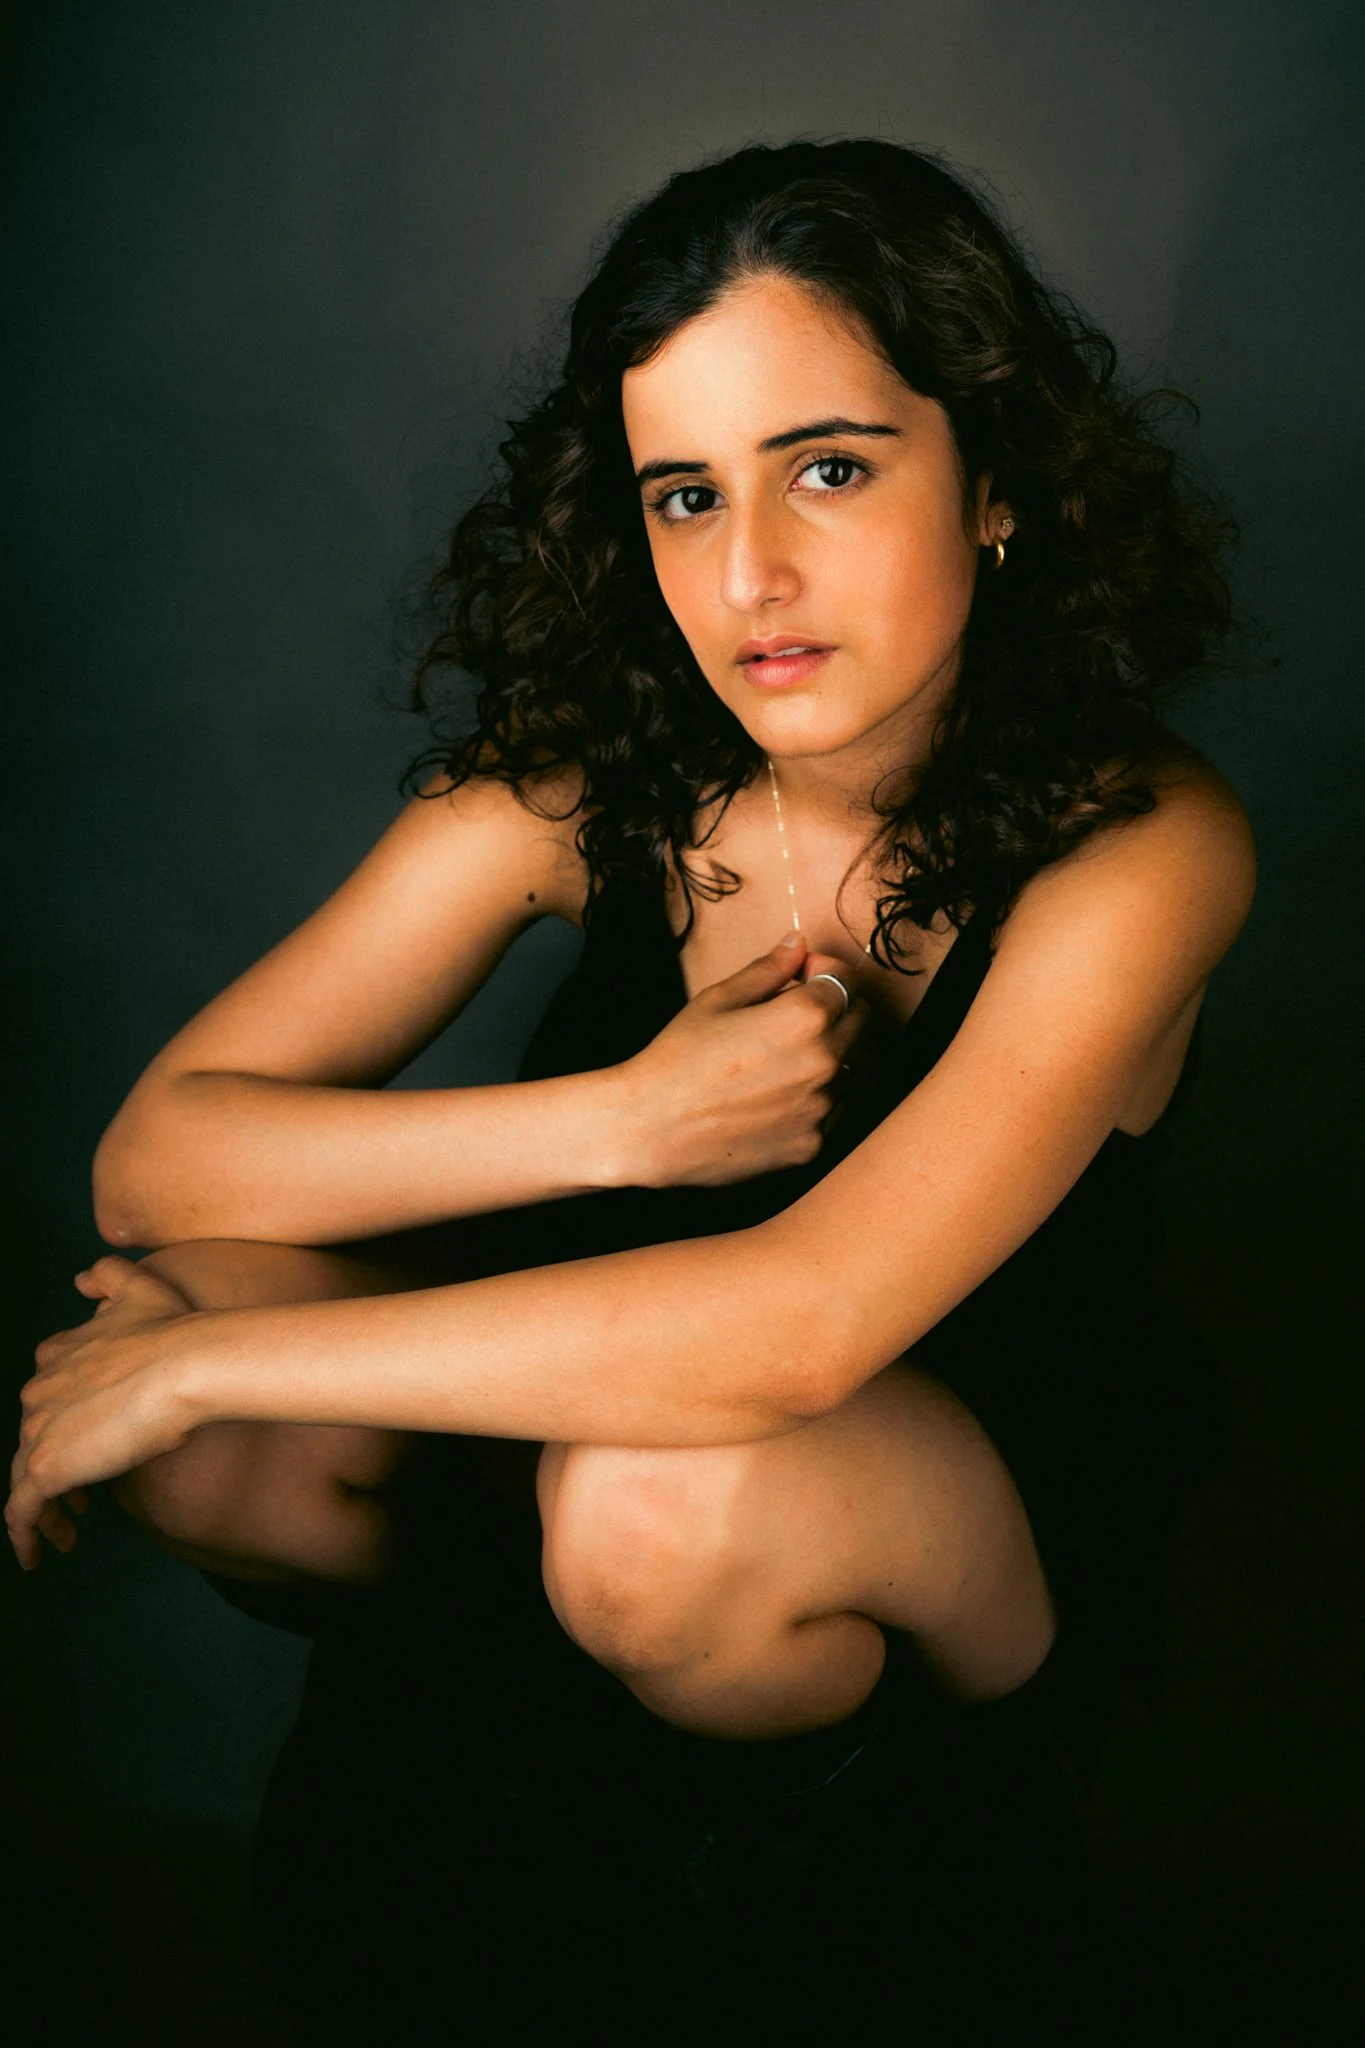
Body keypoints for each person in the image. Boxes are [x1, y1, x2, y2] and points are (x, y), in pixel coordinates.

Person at [10, 138, 1254, 2034]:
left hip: (923, 1517)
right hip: (567, 1460)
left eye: (830, 468)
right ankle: (481, 1833)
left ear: (996, 478)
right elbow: (157, 1163)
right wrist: (626, 1122)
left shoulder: (1144, 842)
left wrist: (200, 1357)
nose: (749, 573)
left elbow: (802, 1327)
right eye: (686, 497)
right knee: (230, 1393)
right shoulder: (583, 780)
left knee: (646, 1503)